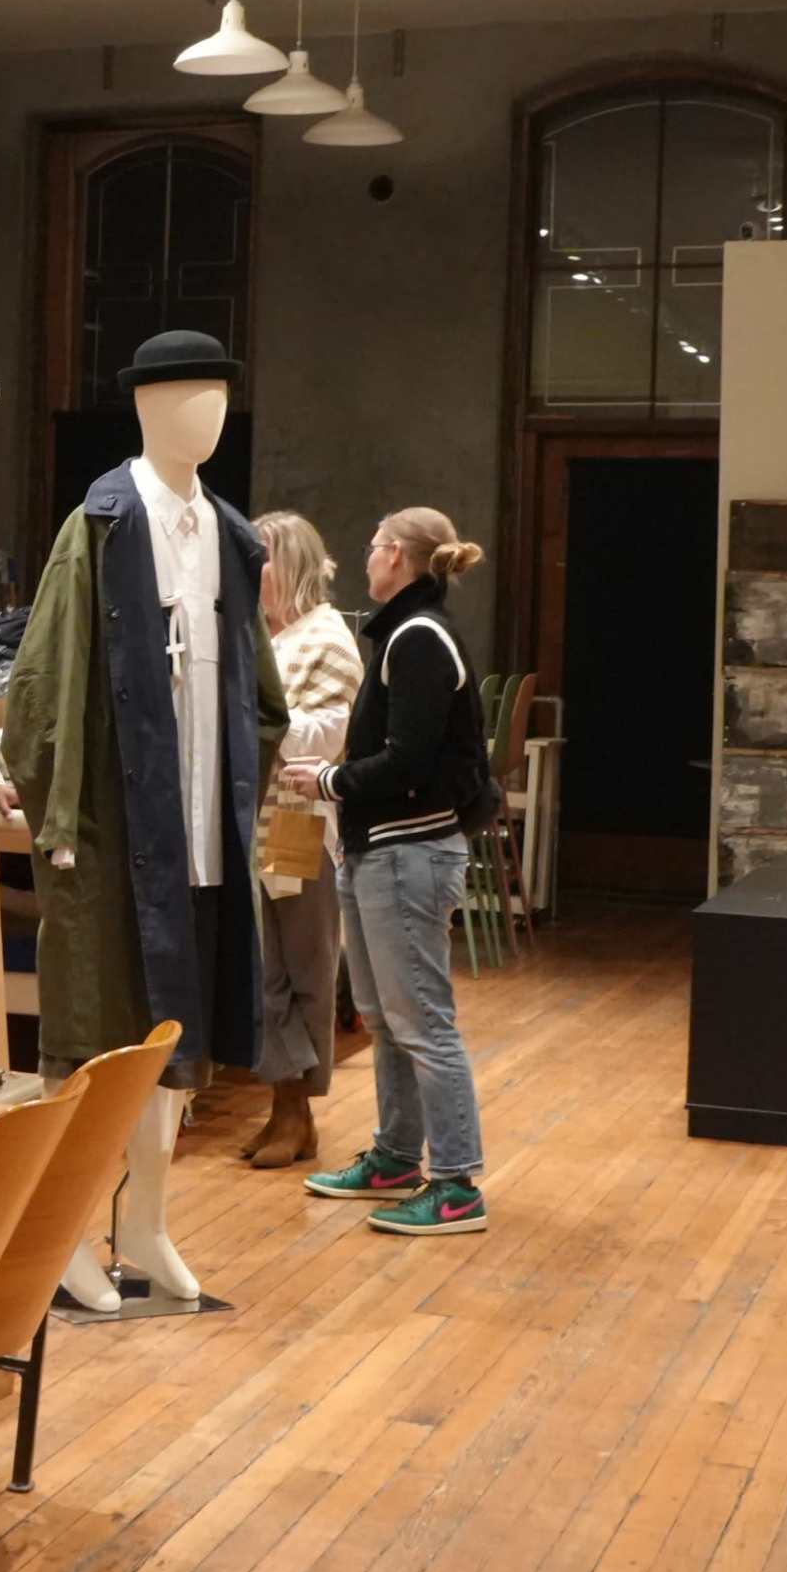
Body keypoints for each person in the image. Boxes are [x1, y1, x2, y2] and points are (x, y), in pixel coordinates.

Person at [286, 507, 496, 1238]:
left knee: (422, 1022)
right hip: (383, 850)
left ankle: (457, 1184)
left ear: (399, 556)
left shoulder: (419, 639)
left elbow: (408, 761)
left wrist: (330, 780)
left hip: (409, 853)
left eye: (374, 546)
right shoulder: (407, 633)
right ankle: (397, 1157)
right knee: (385, 1018)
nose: (366, 557)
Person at [242, 511, 361, 1167]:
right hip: (246, 817)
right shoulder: (256, 633)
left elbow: (326, 737)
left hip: (297, 820)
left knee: (303, 966)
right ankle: (282, 1106)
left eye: (259, 557)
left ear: (290, 564)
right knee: (262, 968)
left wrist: (255, 717)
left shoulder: (326, 638)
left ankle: (297, 1110)